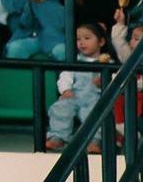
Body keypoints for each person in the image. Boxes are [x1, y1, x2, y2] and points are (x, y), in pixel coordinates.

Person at [45, 22, 110, 152]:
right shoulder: (74, 60)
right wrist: (66, 90)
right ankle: (58, 137)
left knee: (94, 112)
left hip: (95, 97)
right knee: (60, 108)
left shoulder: (108, 63)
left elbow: (115, 80)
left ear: (101, 42)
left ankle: (94, 140)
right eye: (78, 39)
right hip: (74, 95)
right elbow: (65, 76)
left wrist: (104, 82)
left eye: (87, 38)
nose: (81, 42)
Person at [2, 0, 66, 60]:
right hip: (26, 39)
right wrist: (25, 3)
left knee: (62, 50)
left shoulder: (58, 8)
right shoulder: (18, 3)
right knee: (15, 48)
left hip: (53, 41)